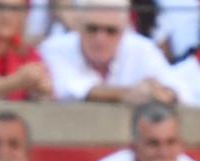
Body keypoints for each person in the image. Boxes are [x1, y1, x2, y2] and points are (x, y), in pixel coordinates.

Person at [39, 0, 174, 104]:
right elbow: (70, 90)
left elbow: (177, 88)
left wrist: (161, 94)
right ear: (78, 26)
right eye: (92, 29)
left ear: (124, 31)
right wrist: (127, 94)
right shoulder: (53, 48)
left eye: (110, 31)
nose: (100, 38)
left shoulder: (142, 48)